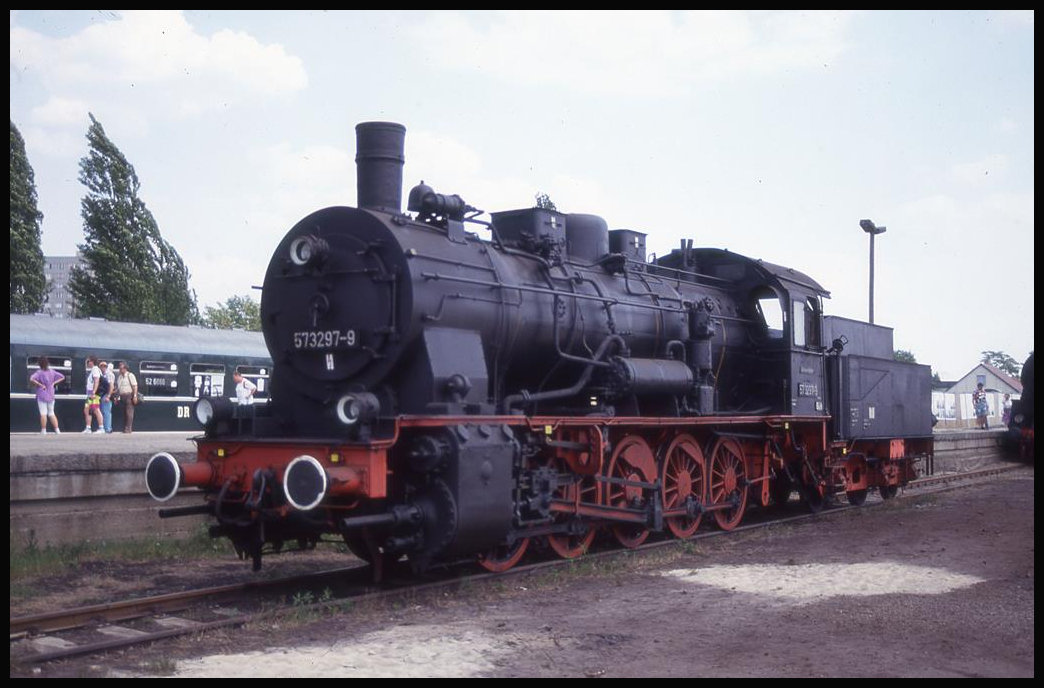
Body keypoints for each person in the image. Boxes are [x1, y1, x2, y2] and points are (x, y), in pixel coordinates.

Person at [30, 356, 65, 434]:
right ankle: (57, 430)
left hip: (42, 394)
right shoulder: (52, 372)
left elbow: (31, 379)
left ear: (39, 364)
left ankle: (43, 430)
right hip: (51, 394)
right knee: (51, 413)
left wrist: (40, 384)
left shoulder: (39, 372)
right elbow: (62, 377)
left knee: (43, 413)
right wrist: (54, 383)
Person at [82, 356, 105, 433]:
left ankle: (101, 428)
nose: (88, 363)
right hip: (90, 393)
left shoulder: (95, 369)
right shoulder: (94, 370)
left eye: (89, 361)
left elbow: (96, 381)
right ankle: (88, 428)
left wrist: (94, 392)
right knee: (87, 409)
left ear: (92, 361)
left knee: (96, 409)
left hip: (93, 394)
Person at [115, 362, 139, 433]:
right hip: (122, 396)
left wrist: (135, 396)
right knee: (124, 413)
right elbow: (118, 388)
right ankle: (125, 428)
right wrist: (116, 397)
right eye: (119, 368)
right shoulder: (119, 377)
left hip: (129, 395)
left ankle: (128, 428)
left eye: (121, 368)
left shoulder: (130, 375)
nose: (120, 370)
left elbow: (135, 386)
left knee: (129, 412)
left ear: (125, 369)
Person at [99, 361, 116, 433]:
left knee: (106, 412)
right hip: (102, 395)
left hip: (106, 395)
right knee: (103, 412)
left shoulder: (109, 374)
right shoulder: (102, 375)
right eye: (101, 366)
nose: (103, 368)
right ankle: (105, 428)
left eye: (104, 366)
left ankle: (108, 429)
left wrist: (108, 396)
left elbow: (111, 386)